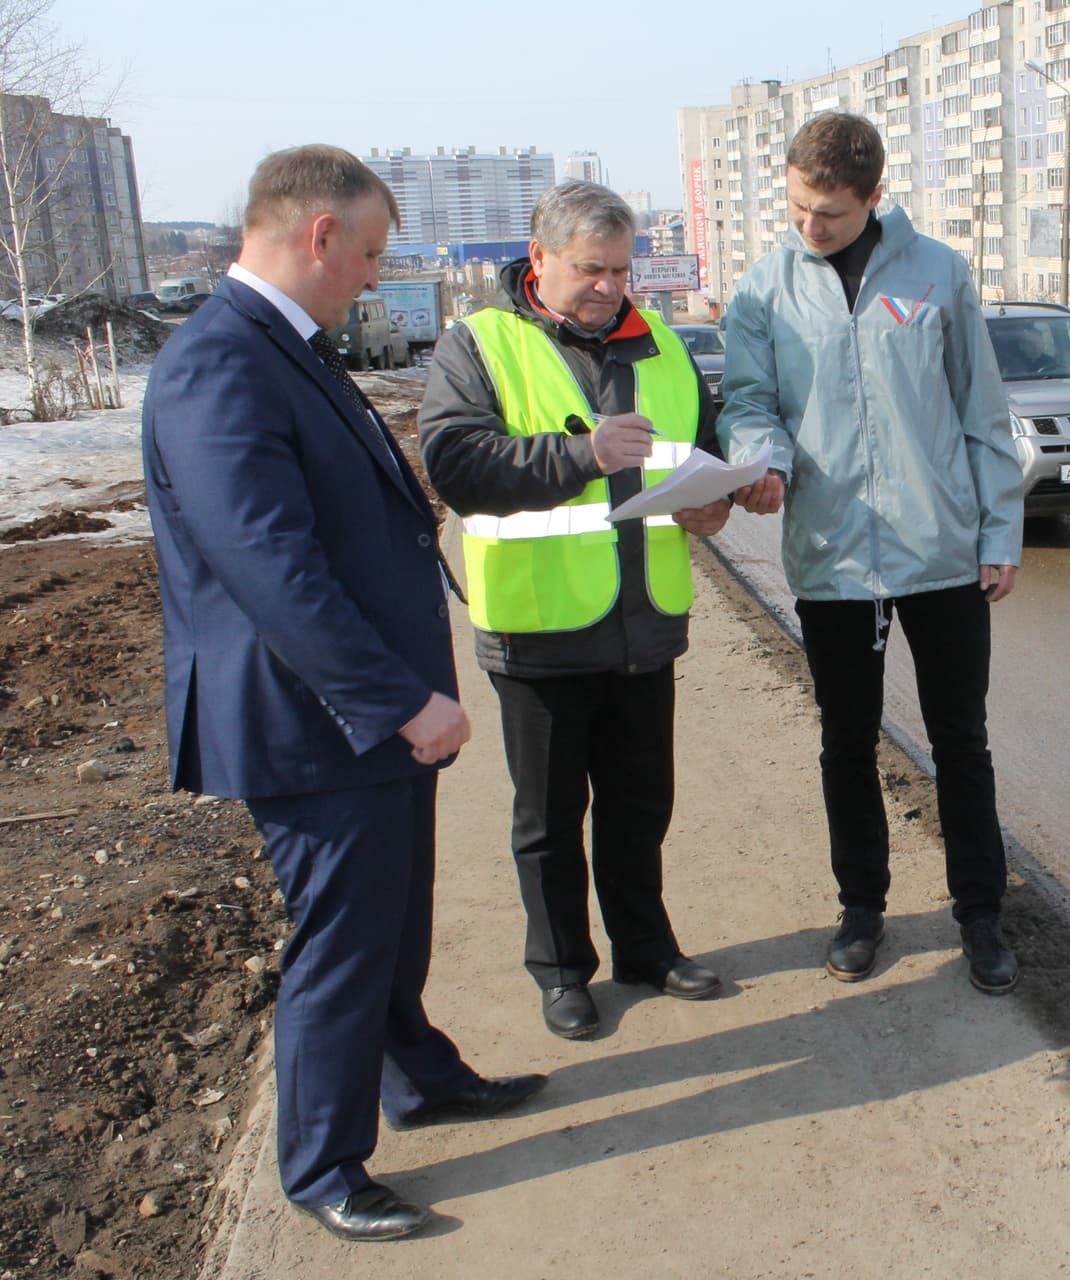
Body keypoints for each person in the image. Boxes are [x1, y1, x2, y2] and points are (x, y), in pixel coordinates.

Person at [141, 145, 543, 1243]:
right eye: (366, 253)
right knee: (342, 938)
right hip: (312, 718)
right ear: (319, 236)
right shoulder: (221, 361)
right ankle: (322, 1164)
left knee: (391, 917)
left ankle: (418, 1075)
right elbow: (269, 564)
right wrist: (397, 699)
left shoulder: (286, 345)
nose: (372, 276)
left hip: (354, 713)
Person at [719, 112, 1026, 994]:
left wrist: (998, 531)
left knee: (961, 742)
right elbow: (747, 402)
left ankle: (981, 914)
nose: (810, 228)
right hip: (832, 553)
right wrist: (763, 461)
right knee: (846, 742)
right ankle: (862, 909)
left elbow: (981, 410)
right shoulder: (763, 290)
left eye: (831, 214)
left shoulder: (939, 275)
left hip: (940, 549)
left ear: (875, 199)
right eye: (798, 208)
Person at [419, 181, 733, 1040]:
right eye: (591, 270)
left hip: (642, 621)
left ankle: (645, 948)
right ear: (541, 256)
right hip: (539, 628)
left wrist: (714, 501)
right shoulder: (478, 344)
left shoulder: (660, 341)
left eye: (620, 271)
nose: (608, 287)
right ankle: (561, 969)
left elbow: (702, 445)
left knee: (640, 804)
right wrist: (579, 452)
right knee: (550, 819)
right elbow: (455, 461)